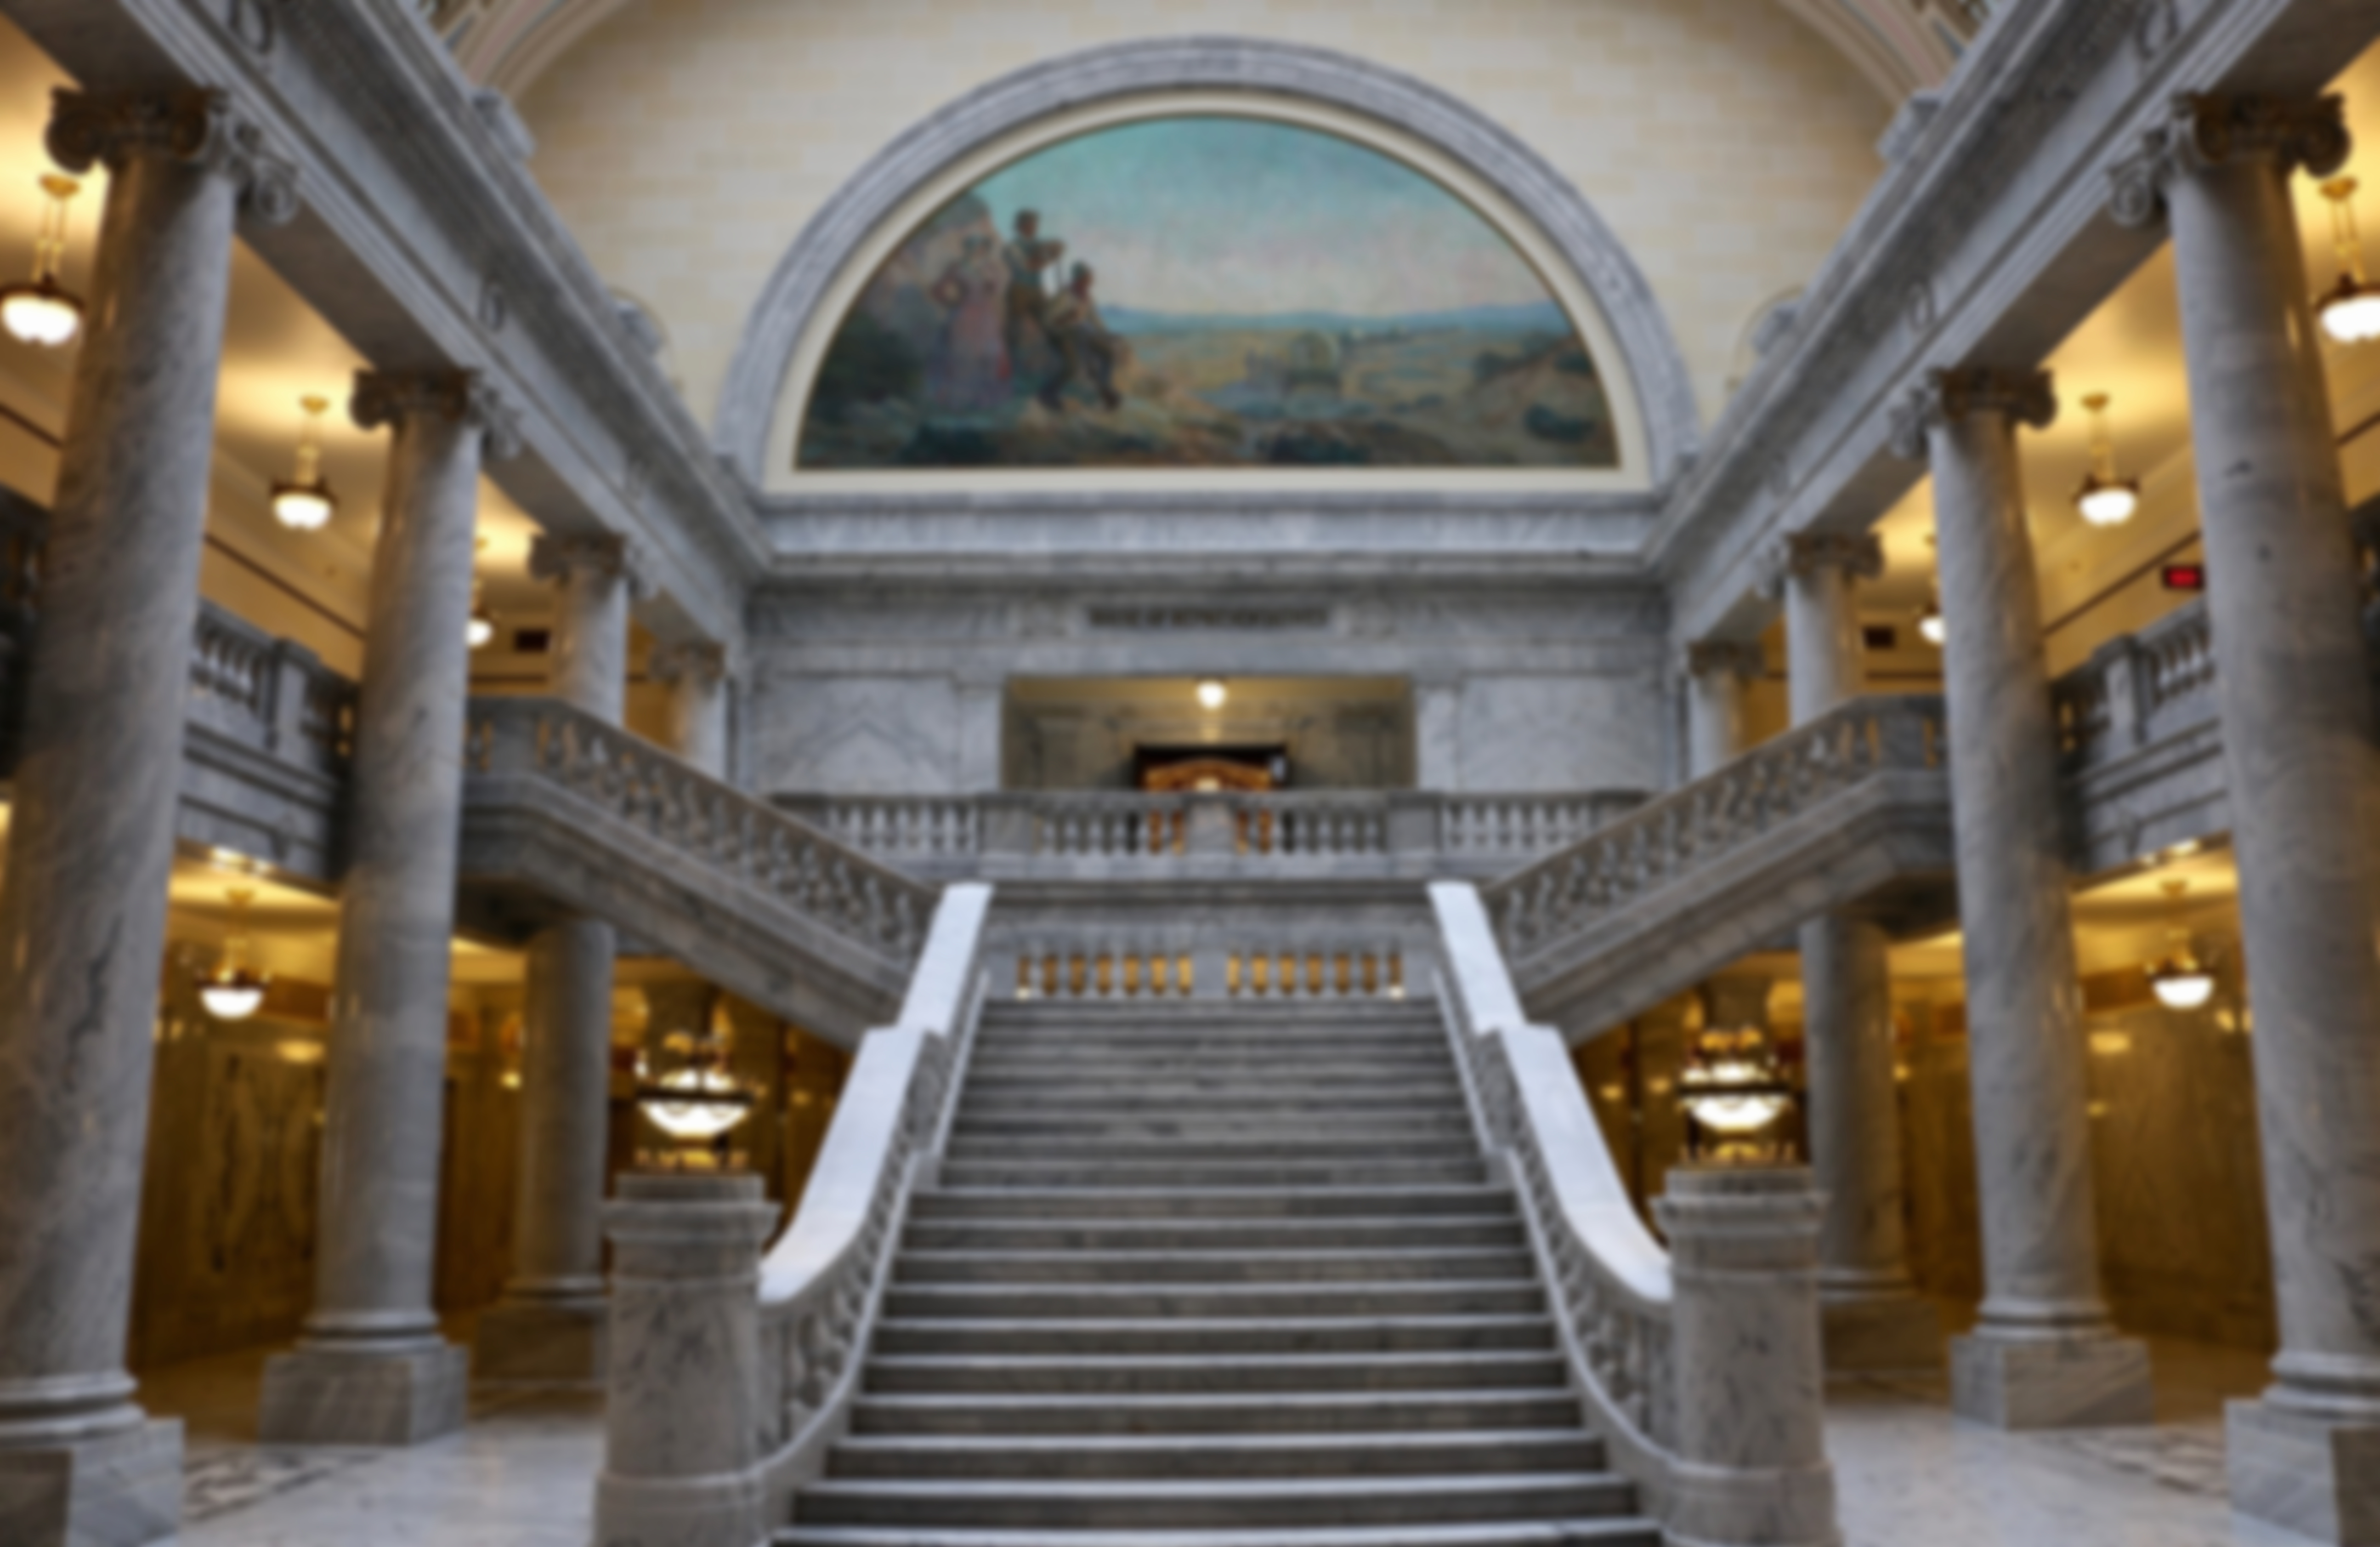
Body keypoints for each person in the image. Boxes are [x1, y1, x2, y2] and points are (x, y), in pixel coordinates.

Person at [925, 234, 1009, 413]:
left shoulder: (987, 268)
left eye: (984, 248)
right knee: (964, 357)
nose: (982, 251)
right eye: (979, 247)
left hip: (986, 317)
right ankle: (960, 400)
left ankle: (982, 399)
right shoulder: (958, 267)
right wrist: (951, 303)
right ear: (970, 248)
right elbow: (937, 290)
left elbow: (995, 290)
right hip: (966, 315)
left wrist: (992, 283)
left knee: (989, 356)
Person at [1040, 262, 1122, 412]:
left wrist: (1107, 334)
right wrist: (1065, 318)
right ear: (1080, 279)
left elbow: (1095, 321)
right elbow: (1048, 320)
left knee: (1108, 353)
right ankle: (1048, 393)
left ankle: (1105, 387)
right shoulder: (1065, 296)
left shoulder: (1087, 298)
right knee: (1071, 366)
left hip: (1081, 333)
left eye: (1090, 277)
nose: (1091, 280)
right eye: (1088, 277)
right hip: (1062, 334)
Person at [1001, 210, 1066, 367]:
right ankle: (1009, 361)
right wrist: (1048, 258)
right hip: (1020, 289)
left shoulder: (1038, 244)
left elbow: (1059, 247)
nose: (1033, 228)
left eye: (1034, 224)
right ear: (1021, 227)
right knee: (1015, 326)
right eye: (1029, 224)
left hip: (1037, 289)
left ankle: (1058, 358)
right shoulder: (1012, 247)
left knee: (1048, 321)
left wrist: (1055, 250)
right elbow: (1027, 266)